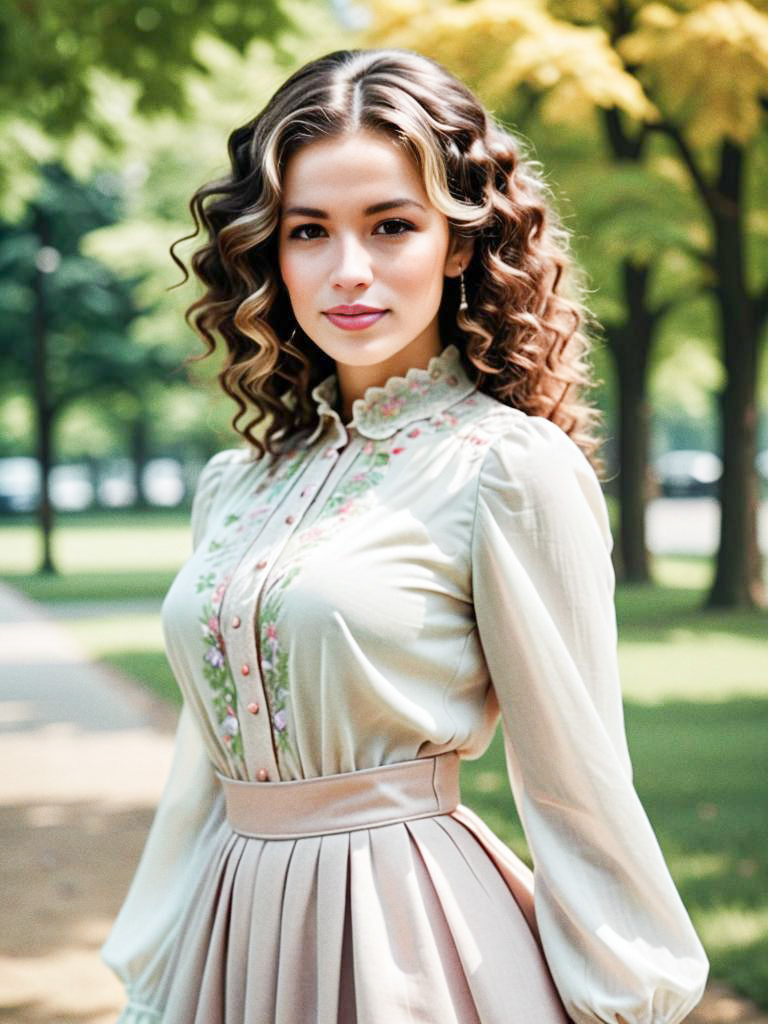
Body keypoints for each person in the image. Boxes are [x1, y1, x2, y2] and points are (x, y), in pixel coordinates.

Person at [101, 48, 708, 1024]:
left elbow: (578, 780)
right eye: (310, 231)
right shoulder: (237, 483)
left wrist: (628, 994)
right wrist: (158, 966)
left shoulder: (506, 467)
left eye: (392, 225)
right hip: (231, 935)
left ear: (459, 244)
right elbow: (199, 772)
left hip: (401, 939)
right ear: (270, 250)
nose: (349, 270)